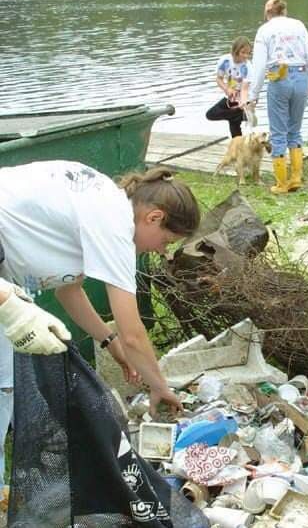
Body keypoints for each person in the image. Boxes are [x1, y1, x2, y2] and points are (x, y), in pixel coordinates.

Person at [0, 161, 201, 499]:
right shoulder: (115, 221)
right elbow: (133, 330)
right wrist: (159, 386)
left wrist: (110, 343)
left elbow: (69, 290)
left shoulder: (101, 202)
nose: (162, 251)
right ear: (153, 217)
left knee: (5, 381)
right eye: (166, 240)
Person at [249, 0, 308, 194]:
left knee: (278, 132)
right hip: (302, 76)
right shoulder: (298, 25)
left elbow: (260, 66)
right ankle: (296, 179)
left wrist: (254, 94)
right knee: (295, 131)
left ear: (268, 12)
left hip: (280, 78)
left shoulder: (264, 30)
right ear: (284, 11)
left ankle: (281, 184)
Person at [206, 36, 254, 138]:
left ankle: (238, 150)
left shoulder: (247, 66)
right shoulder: (225, 61)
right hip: (230, 98)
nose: (246, 56)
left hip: (242, 99)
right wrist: (227, 89)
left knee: (235, 129)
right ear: (235, 51)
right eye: (243, 52)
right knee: (210, 114)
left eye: (248, 53)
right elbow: (219, 79)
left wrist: (243, 102)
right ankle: (237, 116)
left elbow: (245, 88)